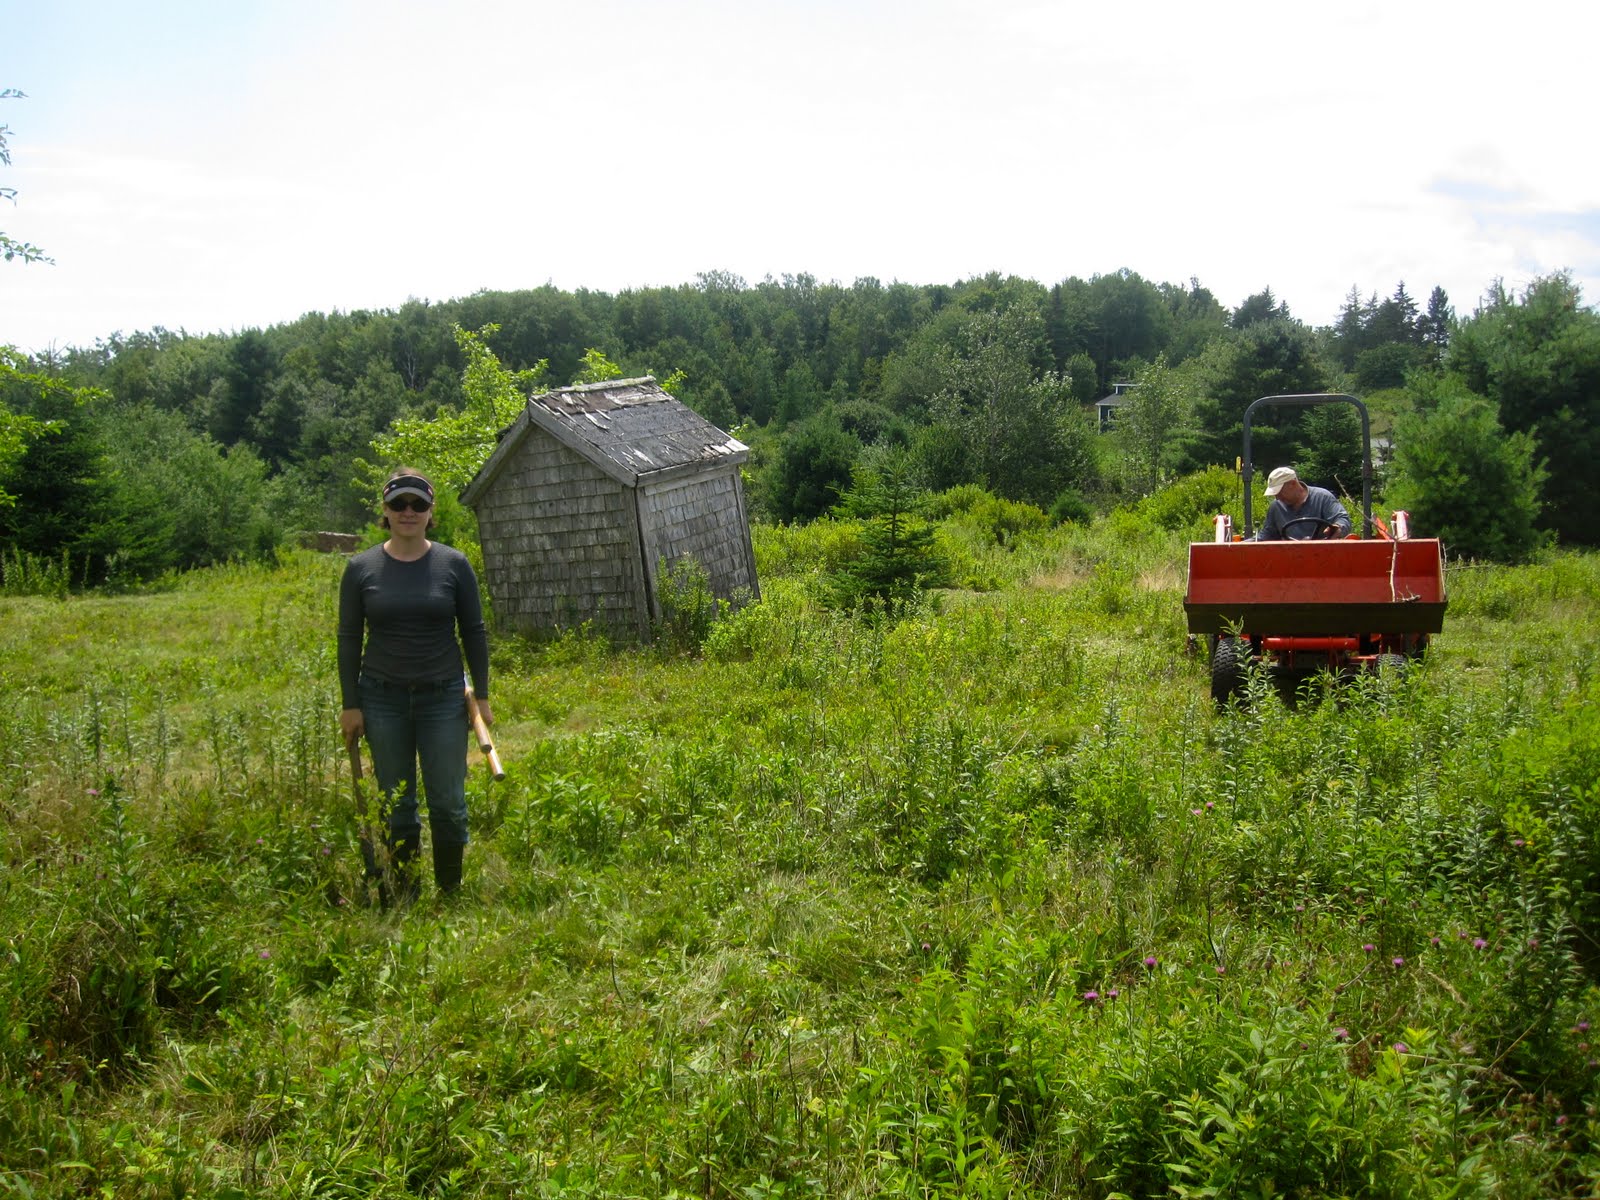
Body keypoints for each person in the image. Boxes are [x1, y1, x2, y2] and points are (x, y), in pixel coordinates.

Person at [338, 468, 492, 904]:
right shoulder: (360, 568)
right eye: (399, 504)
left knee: (447, 800)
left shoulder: (454, 564)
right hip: (381, 699)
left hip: (442, 697)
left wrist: (480, 696)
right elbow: (349, 638)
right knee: (397, 801)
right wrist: (352, 704)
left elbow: (474, 632)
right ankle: (406, 896)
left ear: (431, 512)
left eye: (418, 505)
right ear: (385, 511)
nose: (409, 512)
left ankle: (449, 894)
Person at [1255, 466, 1352, 541]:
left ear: (1293, 483)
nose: (1277, 497)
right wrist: (1243, 544)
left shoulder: (1322, 497)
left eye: (1280, 492)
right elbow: (1267, 535)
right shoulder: (1276, 506)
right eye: (1275, 494)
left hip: (1323, 555)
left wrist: (1337, 527)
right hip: (1289, 558)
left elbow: (1342, 519)